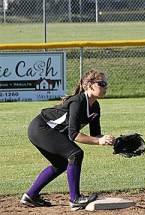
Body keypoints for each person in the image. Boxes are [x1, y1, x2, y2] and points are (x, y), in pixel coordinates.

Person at [20, 70, 116, 209]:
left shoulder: (95, 106)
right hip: (41, 128)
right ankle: (75, 199)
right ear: (90, 85)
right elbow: (74, 135)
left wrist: (114, 141)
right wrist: (98, 141)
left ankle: (31, 195)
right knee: (75, 154)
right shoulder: (78, 102)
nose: (105, 87)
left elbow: (96, 134)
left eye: (106, 84)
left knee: (60, 164)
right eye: (101, 84)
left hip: (49, 130)